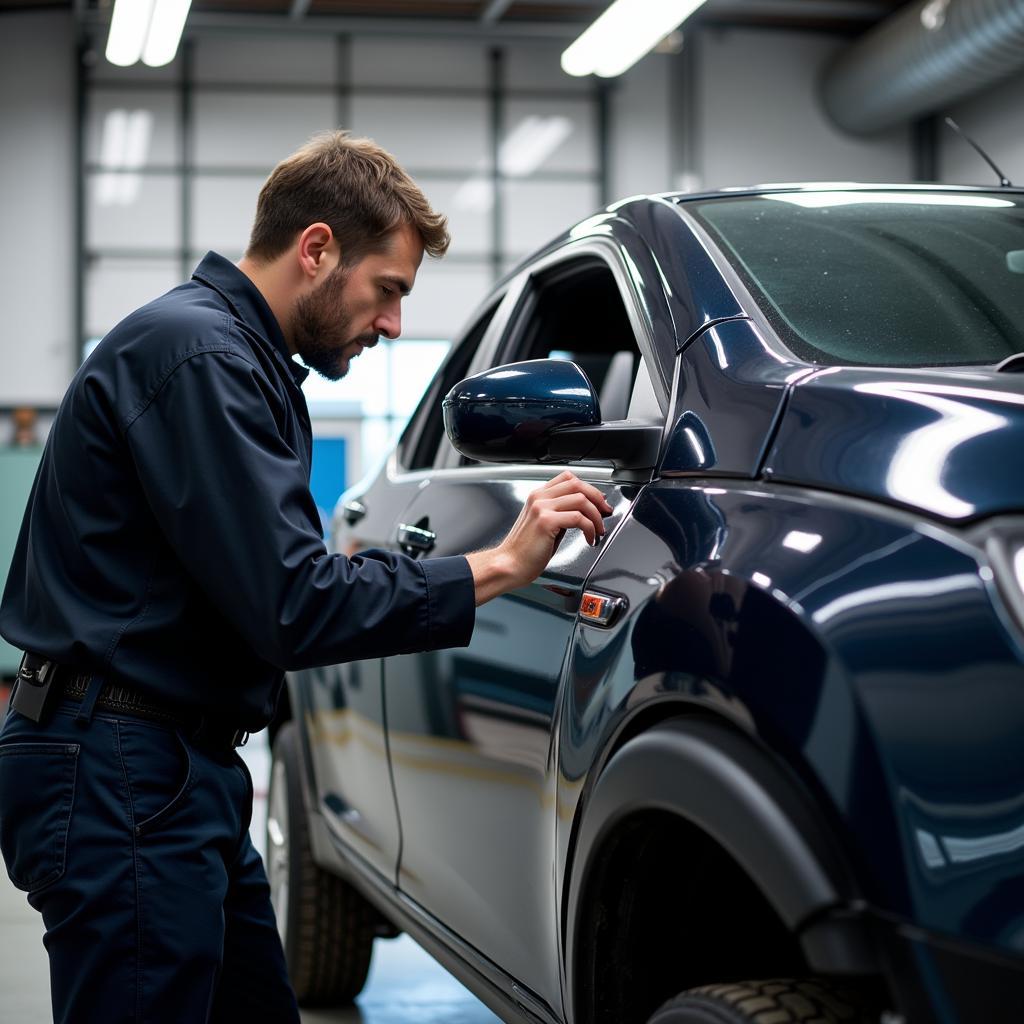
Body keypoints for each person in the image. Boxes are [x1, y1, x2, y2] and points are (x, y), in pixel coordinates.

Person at [0, 130, 612, 1024]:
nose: (395, 324)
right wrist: (500, 562)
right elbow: (294, 605)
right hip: (119, 773)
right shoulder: (203, 358)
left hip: (166, 765)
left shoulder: (228, 356)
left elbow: (258, 580)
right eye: (389, 291)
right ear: (317, 249)